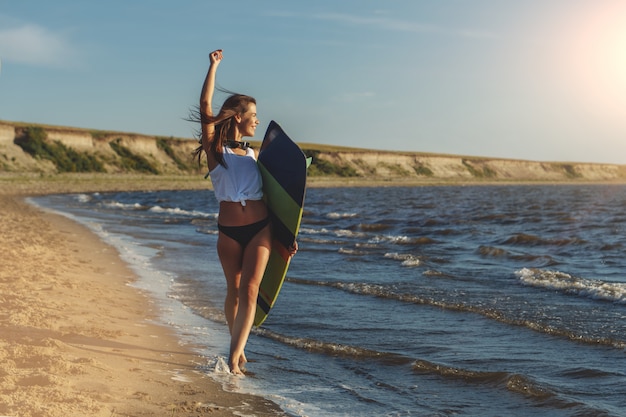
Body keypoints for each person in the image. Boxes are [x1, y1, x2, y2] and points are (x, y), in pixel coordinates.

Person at [194, 49, 295, 375]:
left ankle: (235, 356)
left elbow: (280, 200)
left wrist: (286, 237)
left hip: (260, 229)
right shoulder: (216, 150)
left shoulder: (256, 156)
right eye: (253, 113)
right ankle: (237, 340)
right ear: (237, 116)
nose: (257, 119)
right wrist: (213, 67)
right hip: (228, 233)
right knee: (233, 291)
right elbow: (206, 109)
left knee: (250, 289)